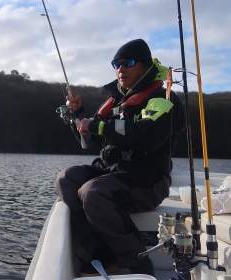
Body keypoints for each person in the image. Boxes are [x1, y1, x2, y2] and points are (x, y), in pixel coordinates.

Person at [55, 39, 185, 277]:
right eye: (116, 64)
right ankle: (102, 252)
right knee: (68, 178)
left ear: (145, 66)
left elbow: (146, 136)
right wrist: (78, 115)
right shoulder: (115, 101)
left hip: (147, 179)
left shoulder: (164, 98)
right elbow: (90, 142)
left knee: (94, 192)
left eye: (128, 63)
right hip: (113, 172)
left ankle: (139, 264)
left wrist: (96, 125)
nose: (120, 69)